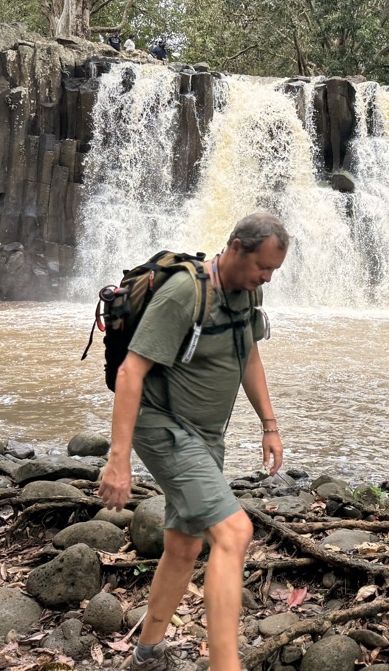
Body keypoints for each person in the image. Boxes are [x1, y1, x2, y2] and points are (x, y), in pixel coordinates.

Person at [98, 212, 290, 671]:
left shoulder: (246, 291)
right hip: (162, 425)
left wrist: (269, 424)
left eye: (273, 272)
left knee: (185, 545)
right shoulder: (185, 292)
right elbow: (131, 373)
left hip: (205, 435)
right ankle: (226, 665)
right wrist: (117, 460)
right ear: (237, 247)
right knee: (235, 531)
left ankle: (147, 652)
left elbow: (249, 356)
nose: (266, 277)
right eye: (263, 267)